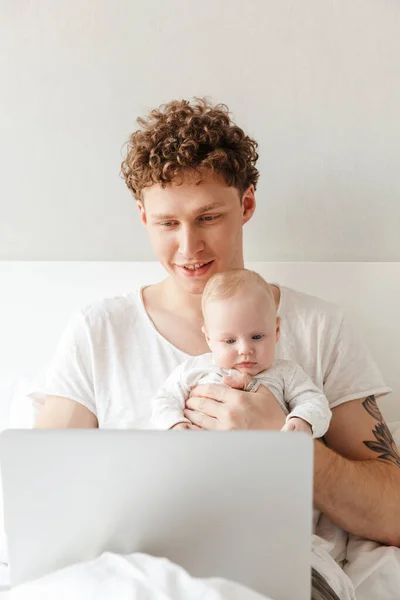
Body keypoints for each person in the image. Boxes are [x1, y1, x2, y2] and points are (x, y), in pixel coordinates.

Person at [32, 97, 400, 599]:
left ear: (246, 205)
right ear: (142, 216)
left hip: (275, 577)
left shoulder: (319, 329)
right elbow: (42, 502)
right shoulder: (99, 333)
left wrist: (282, 444)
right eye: (167, 223)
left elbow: (394, 512)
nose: (188, 249)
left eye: (208, 218)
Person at [151, 268, 331, 439]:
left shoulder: (287, 373)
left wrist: (303, 420)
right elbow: (165, 399)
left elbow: (315, 402)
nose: (245, 349)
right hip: (203, 459)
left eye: (257, 336)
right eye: (230, 341)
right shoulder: (193, 369)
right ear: (209, 338)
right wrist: (175, 424)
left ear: (276, 330)